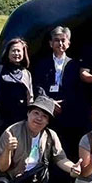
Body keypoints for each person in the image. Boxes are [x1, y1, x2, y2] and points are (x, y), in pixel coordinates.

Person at [33, 26, 86, 157]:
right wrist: (49, 102)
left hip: (67, 111)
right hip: (46, 109)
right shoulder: (42, 63)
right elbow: (38, 85)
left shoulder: (74, 64)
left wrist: (65, 102)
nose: (60, 43)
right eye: (56, 40)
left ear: (68, 43)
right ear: (51, 43)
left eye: (63, 40)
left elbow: (77, 88)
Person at [0, 37, 33, 140]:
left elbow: (30, 98)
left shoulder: (26, 73)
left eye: (19, 51)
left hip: (19, 119)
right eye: (13, 50)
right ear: (7, 53)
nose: (16, 53)